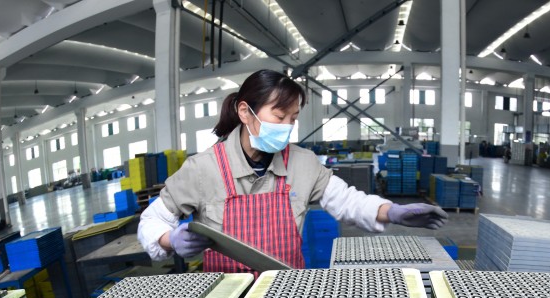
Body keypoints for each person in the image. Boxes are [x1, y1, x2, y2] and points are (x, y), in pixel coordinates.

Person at [138, 69, 447, 270]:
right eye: (279, 115)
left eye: (293, 118)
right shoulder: (202, 169)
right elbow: (151, 220)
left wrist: (392, 212)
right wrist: (169, 239)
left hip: (287, 294)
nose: (287, 127)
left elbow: (348, 201)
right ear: (246, 112)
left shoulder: (303, 163)